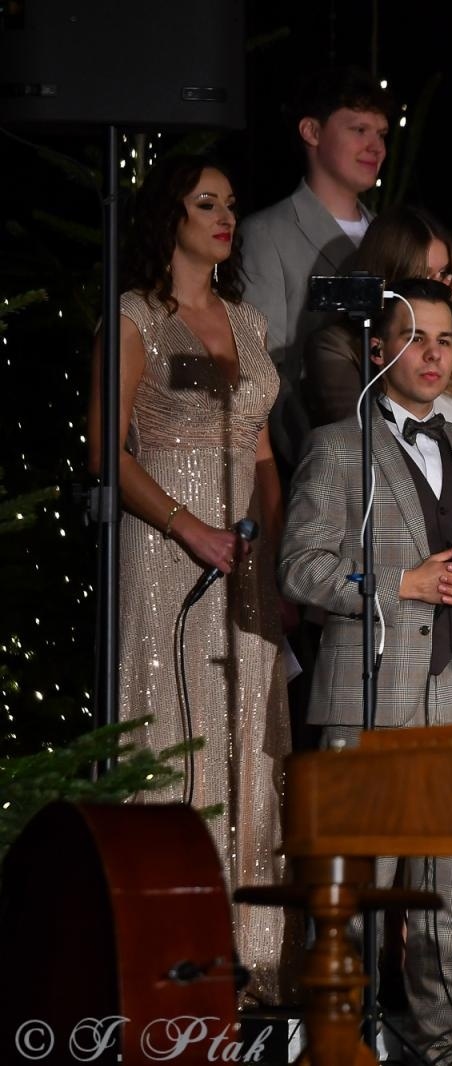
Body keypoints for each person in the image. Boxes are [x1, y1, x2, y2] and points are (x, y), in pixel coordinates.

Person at [278, 278, 452, 1052]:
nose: (433, 355)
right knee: (358, 880)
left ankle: (439, 1033)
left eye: (446, 341)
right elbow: (300, 568)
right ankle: (342, 1035)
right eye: (417, 339)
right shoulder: (336, 445)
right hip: (368, 689)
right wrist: (400, 585)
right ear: (378, 349)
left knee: (448, 883)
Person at [86, 154, 291, 1005]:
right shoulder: (135, 317)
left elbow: (267, 457)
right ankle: (172, 972)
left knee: (253, 747)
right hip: (169, 556)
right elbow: (105, 452)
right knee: (180, 743)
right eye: (207, 203)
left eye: (232, 206)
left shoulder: (246, 323)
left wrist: (271, 550)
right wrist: (187, 525)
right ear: (167, 215)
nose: (225, 218)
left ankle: (257, 973)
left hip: (246, 558)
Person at [239, 66, 393, 470]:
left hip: (396, 459)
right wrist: (313, 457)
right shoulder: (266, 234)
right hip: (318, 461)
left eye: (381, 134)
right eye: (359, 130)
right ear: (311, 131)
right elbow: (265, 369)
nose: (374, 146)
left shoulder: (389, 235)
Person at [303, 204, 452, 432]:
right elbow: (358, 437)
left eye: (444, 274)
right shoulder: (338, 346)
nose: (438, 289)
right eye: (423, 277)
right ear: (390, 278)